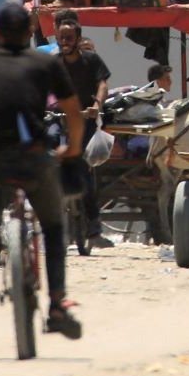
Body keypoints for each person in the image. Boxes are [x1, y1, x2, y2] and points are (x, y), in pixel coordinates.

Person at [0, 2, 84, 339]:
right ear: (30, 32)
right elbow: (73, 111)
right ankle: (57, 303)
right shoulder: (46, 62)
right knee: (54, 227)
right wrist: (72, 149)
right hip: (34, 155)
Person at [54, 14, 111, 245]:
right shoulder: (53, 64)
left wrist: (97, 104)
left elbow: (103, 84)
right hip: (59, 121)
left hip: (84, 122)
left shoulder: (91, 61)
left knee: (83, 172)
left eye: (69, 37)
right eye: (61, 38)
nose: (65, 42)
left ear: (77, 39)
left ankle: (94, 227)